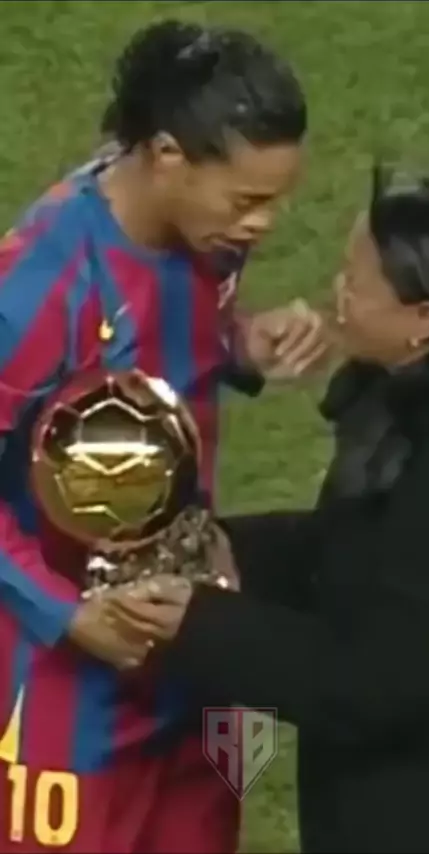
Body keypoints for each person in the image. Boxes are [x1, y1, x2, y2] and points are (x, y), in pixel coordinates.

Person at [0, 20, 326, 854]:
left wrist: (240, 345)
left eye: (276, 199)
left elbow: (169, 341)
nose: (263, 224)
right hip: (66, 683)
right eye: (247, 200)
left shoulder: (209, 239)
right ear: (168, 156)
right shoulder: (38, 287)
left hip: (199, 639)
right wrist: (67, 615)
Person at [109, 167, 429, 854]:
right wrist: (222, 548)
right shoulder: (421, 396)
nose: (337, 291)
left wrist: (202, 622)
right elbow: (359, 551)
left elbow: (374, 684)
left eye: (357, 283)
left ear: (424, 320)